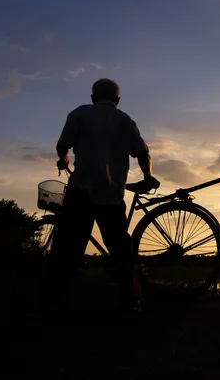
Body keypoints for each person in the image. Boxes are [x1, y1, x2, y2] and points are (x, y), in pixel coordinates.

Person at [37, 78, 158, 316]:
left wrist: (64, 159)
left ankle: (49, 303)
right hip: (112, 195)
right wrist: (147, 176)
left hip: (80, 191)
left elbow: (63, 146)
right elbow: (143, 153)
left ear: (93, 98)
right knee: (121, 251)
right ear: (118, 100)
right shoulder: (126, 121)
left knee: (67, 249)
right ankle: (132, 303)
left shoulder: (80, 114)